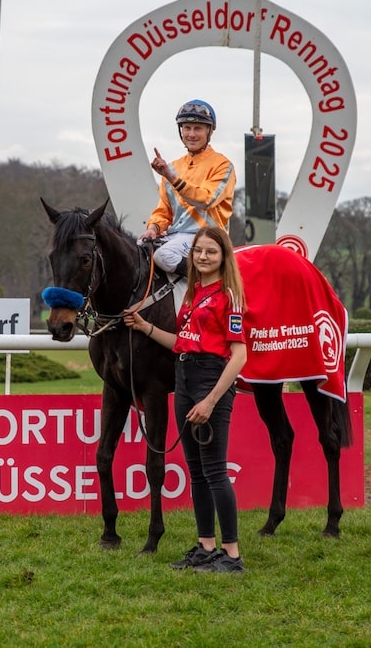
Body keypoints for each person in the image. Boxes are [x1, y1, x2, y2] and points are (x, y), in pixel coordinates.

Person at [124, 226, 248, 573]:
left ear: (223, 257)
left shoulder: (228, 297)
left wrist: (210, 401)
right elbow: (182, 342)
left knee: (215, 471)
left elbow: (239, 356)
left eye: (211, 251)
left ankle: (232, 555)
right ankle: (206, 546)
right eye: (198, 251)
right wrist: (146, 327)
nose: (203, 257)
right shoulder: (193, 293)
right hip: (184, 377)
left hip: (210, 380)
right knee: (196, 471)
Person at [139, 99, 237, 276]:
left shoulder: (223, 165)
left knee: (163, 255)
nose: (191, 134)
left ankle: (207, 283)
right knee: (137, 251)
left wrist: (171, 177)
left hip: (208, 237)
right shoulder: (173, 167)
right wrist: (153, 229)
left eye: (198, 128)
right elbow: (164, 211)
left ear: (209, 131)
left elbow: (206, 199)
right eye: (187, 128)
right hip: (175, 236)